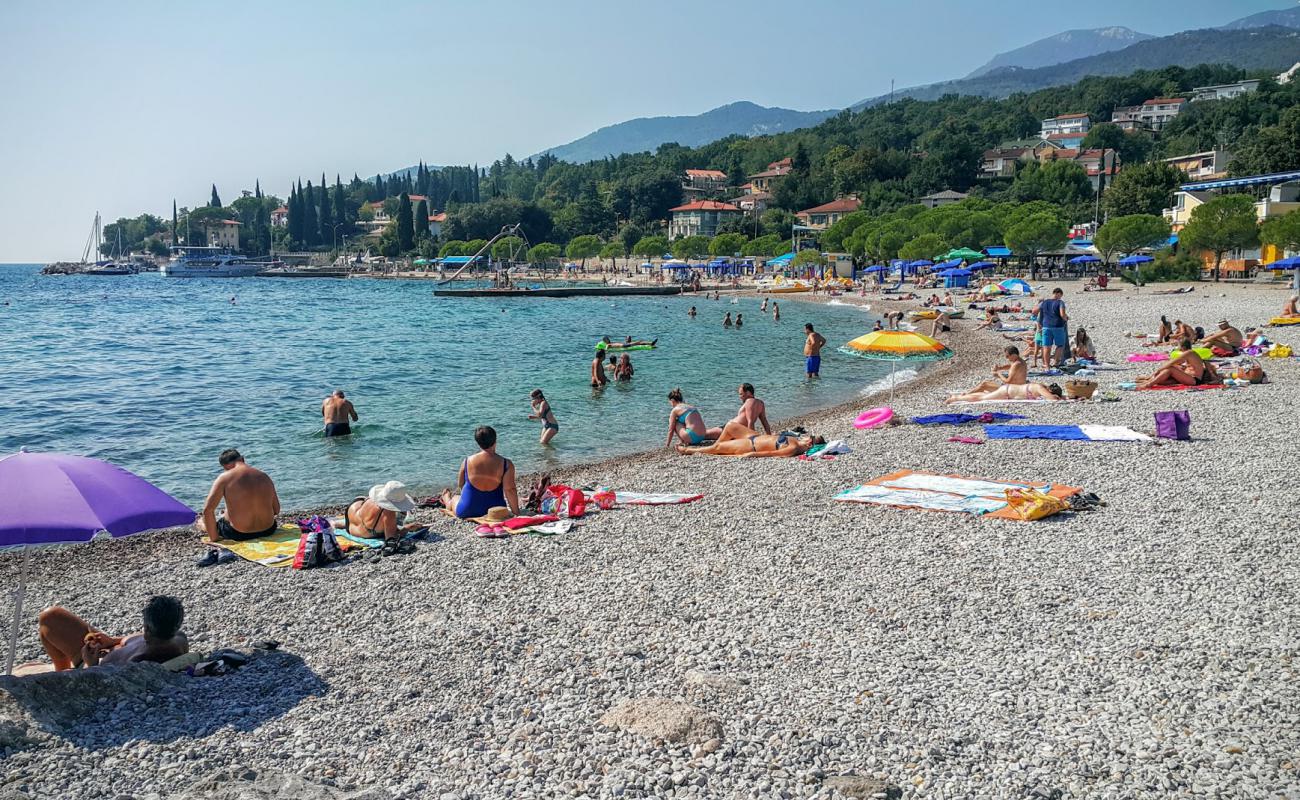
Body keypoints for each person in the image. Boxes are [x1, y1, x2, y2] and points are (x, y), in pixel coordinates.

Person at [37, 596, 187, 672]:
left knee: (49, 618)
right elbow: (147, 637)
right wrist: (112, 641)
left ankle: (60, 672)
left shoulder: (135, 664)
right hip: (108, 647)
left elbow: (102, 682)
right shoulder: (178, 638)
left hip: (90, 661)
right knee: (53, 616)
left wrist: (90, 663)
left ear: (147, 628)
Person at [195, 449, 280, 566]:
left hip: (238, 533)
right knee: (226, 512)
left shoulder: (224, 477)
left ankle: (202, 525)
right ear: (242, 459)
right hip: (269, 529)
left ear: (224, 467)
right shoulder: (264, 475)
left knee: (203, 520)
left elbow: (208, 510)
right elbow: (276, 510)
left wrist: (214, 538)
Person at [441, 426, 520, 519]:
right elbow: (509, 489)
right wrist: (516, 513)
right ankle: (448, 499)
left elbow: (461, 484)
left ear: (478, 442)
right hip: (495, 511)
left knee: (455, 498)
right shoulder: (506, 464)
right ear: (495, 440)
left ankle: (447, 499)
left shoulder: (466, 461)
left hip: (468, 510)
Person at [344, 481, 420, 556]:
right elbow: (391, 538)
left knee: (364, 518)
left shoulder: (374, 499)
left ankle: (336, 523)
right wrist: (408, 528)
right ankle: (339, 523)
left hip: (353, 509)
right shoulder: (389, 512)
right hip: (357, 531)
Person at [676, 421, 824, 458]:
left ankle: (689, 450)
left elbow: (772, 454)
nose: (806, 436)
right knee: (730, 426)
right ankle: (716, 445)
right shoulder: (794, 441)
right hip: (754, 436)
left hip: (751, 446)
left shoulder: (794, 448)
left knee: (718, 449)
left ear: (810, 443)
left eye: (809, 437)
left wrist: (751, 454)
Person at [1137, 339, 1220, 388]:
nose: (1178, 348)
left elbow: (1171, 363)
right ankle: (1149, 380)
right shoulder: (1191, 353)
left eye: (1179, 346)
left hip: (1195, 380)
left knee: (1170, 369)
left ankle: (1149, 384)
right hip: (1190, 378)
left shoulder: (1188, 353)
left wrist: (1158, 370)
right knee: (1161, 381)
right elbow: (1181, 364)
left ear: (1182, 347)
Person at [964, 345, 1029, 395]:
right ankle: (968, 393)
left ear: (1014, 355)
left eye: (1007, 356)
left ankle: (966, 395)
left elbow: (1008, 381)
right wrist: (1000, 368)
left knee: (984, 385)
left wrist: (998, 374)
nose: (1006, 358)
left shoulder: (1016, 364)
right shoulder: (1020, 361)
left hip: (1013, 391)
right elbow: (1010, 366)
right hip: (1016, 388)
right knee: (985, 383)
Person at [1035, 288, 1068, 366]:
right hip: (1058, 326)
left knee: (1046, 346)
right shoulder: (1060, 302)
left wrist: (1040, 324)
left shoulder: (1044, 302)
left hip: (1046, 326)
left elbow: (1035, 311)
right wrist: (1066, 318)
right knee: (1060, 345)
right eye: (1060, 296)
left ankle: (1047, 365)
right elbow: (1062, 314)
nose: (1060, 298)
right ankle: (1056, 362)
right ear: (1058, 293)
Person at [945, 382, 1065, 404]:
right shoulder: (1040, 388)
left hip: (1008, 390)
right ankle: (955, 399)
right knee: (981, 398)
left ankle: (960, 396)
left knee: (983, 396)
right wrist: (1056, 397)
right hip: (1007, 392)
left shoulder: (1040, 385)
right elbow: (1052, 399)